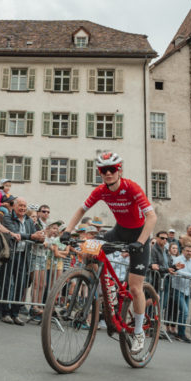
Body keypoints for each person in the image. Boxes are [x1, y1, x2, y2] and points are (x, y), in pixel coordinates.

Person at [61, 152, 157, 354]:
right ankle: (105, 288)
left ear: (119, 170)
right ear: (99, 172)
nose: (108, 173)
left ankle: (139, 332)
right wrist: (68, 231)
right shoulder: (101, 191)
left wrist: (140, 242)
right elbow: (81, 210)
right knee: (88, 249)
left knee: (135, 287)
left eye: (112, 169)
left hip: (140, 234)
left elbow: (152, 217)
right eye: (103, 170)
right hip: (119, 231)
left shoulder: (131, 187)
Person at [0, 197, 44, 325]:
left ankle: (15, 313)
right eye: (20, 205)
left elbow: (34, 235)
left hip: (24, 255)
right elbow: (14, 233)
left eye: (25, 206)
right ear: (15, 206)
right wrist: (31, 236)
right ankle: (5, 313)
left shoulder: (29, 220)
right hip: (10, 254)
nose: (23, 208)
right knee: (7, 283)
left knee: (21, 284)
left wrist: (40, 237)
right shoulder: (8, 217)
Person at [168, 243, 191, 341]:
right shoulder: (177, 259)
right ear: (183, 251)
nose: (189, 253)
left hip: (187, 290)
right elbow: (178, 272)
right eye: (187, 251)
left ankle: (180, 333)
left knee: (184, 313)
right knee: (185, 312)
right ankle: (180, 333)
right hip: (177, 289)